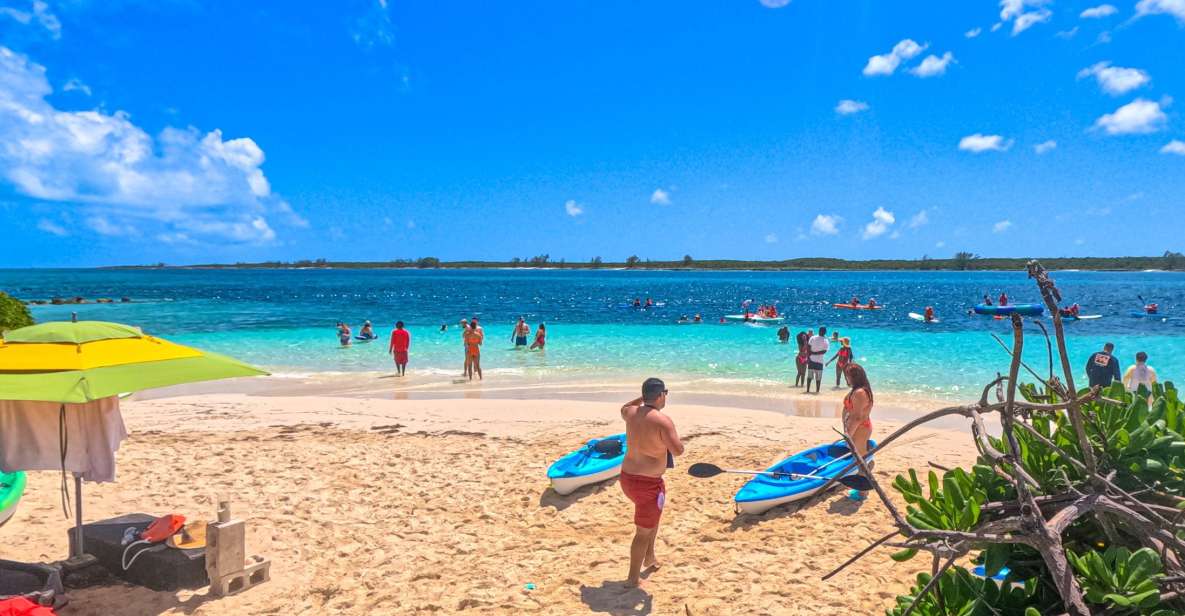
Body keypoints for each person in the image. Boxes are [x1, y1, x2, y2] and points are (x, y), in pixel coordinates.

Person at [619, 378, 683, 588]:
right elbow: (678, 451)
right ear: (660, 396)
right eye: (665, 393)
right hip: (647, 485)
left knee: (652, 520)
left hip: (627, 479)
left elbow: (626, 407)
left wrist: (645, 398)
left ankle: (650, 557)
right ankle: (632, 579)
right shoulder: (662, 421)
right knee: (642, 532)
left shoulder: (630, 414)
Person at [842, 363, 874, 501]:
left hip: (860, 429)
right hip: (856, 428)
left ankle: (863, 492)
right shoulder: (857, 390)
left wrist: (848, 434)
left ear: (853, 377)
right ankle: (868, 466)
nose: (846, 379)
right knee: (859, 458)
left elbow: (857, 417)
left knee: (861, 460)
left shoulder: (860, 392)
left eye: (847, 376)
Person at [806, 327, 830, 394]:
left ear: (819, 331)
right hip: (820, 362)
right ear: (825, 332)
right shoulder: (826, 340)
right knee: (818, 378)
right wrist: (814, 354)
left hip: (811, 360)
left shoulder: (812, 338)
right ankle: (817, 391)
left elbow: (808, 348)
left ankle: (808, 390)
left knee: (809, 377)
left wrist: (809, 357)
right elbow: (824, 351)